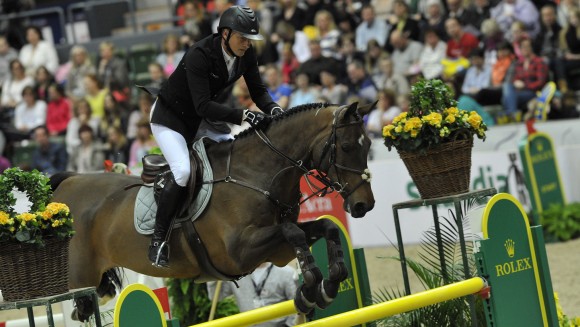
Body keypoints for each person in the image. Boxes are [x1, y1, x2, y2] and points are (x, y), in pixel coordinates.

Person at [148, 6, 283, 267]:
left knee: (235, 160)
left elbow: (258, 90)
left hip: (203, 120)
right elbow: (201, 105)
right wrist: (243, 115)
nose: (246, 44)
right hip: (171, 119)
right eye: (242, 38)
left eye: (250, 39)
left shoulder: (245, 53)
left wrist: (275, 109)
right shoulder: (200, 54)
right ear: (225, 33)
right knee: (183, 172)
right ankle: (158, 240)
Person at [207, 262, 299, 327]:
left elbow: (297, 304)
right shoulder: (237, 274)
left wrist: (288, 325)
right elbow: (216, 296)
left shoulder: (287, 273)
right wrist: (214, 271)